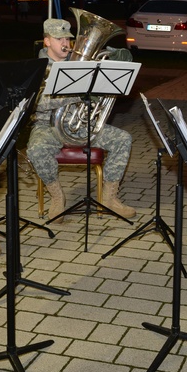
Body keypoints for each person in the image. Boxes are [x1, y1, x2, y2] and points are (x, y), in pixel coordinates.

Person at [27, 18, 137, 222]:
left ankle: (109, 198)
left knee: (123, 139)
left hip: (82, 125)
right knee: (35, 149)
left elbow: (118, 65)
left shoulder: (80, 64)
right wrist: (77, 95)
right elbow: (37, 105)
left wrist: (118, 55)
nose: (65, 43)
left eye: (68, 39)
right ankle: (57, 196)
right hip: (48, 127)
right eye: (58, 38)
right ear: (47, 41)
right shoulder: (37, 68)